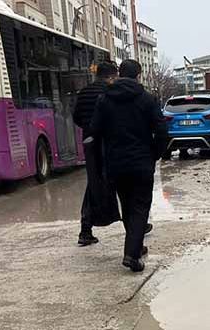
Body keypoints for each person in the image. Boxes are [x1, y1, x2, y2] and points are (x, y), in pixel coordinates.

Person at [90, 59, 167, 273]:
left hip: (116, 163)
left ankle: (136, 246)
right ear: (138, 75)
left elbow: (94, 130)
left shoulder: (105, 99)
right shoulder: (147, 99)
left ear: (119, 74)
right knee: (140, 207)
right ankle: (132, 254)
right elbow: (162, 130)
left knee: (127, 205)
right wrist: (154, 154)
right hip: (142, 162)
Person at [73, 61, 121, 247]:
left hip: (90, 143)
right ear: (111, 77)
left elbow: (76, 116)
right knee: (121, 183)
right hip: (109, 142)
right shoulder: (111, 92)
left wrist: (88, 128)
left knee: (93, 183)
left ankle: (85, 229)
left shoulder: (84, 92)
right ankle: (135, 225)